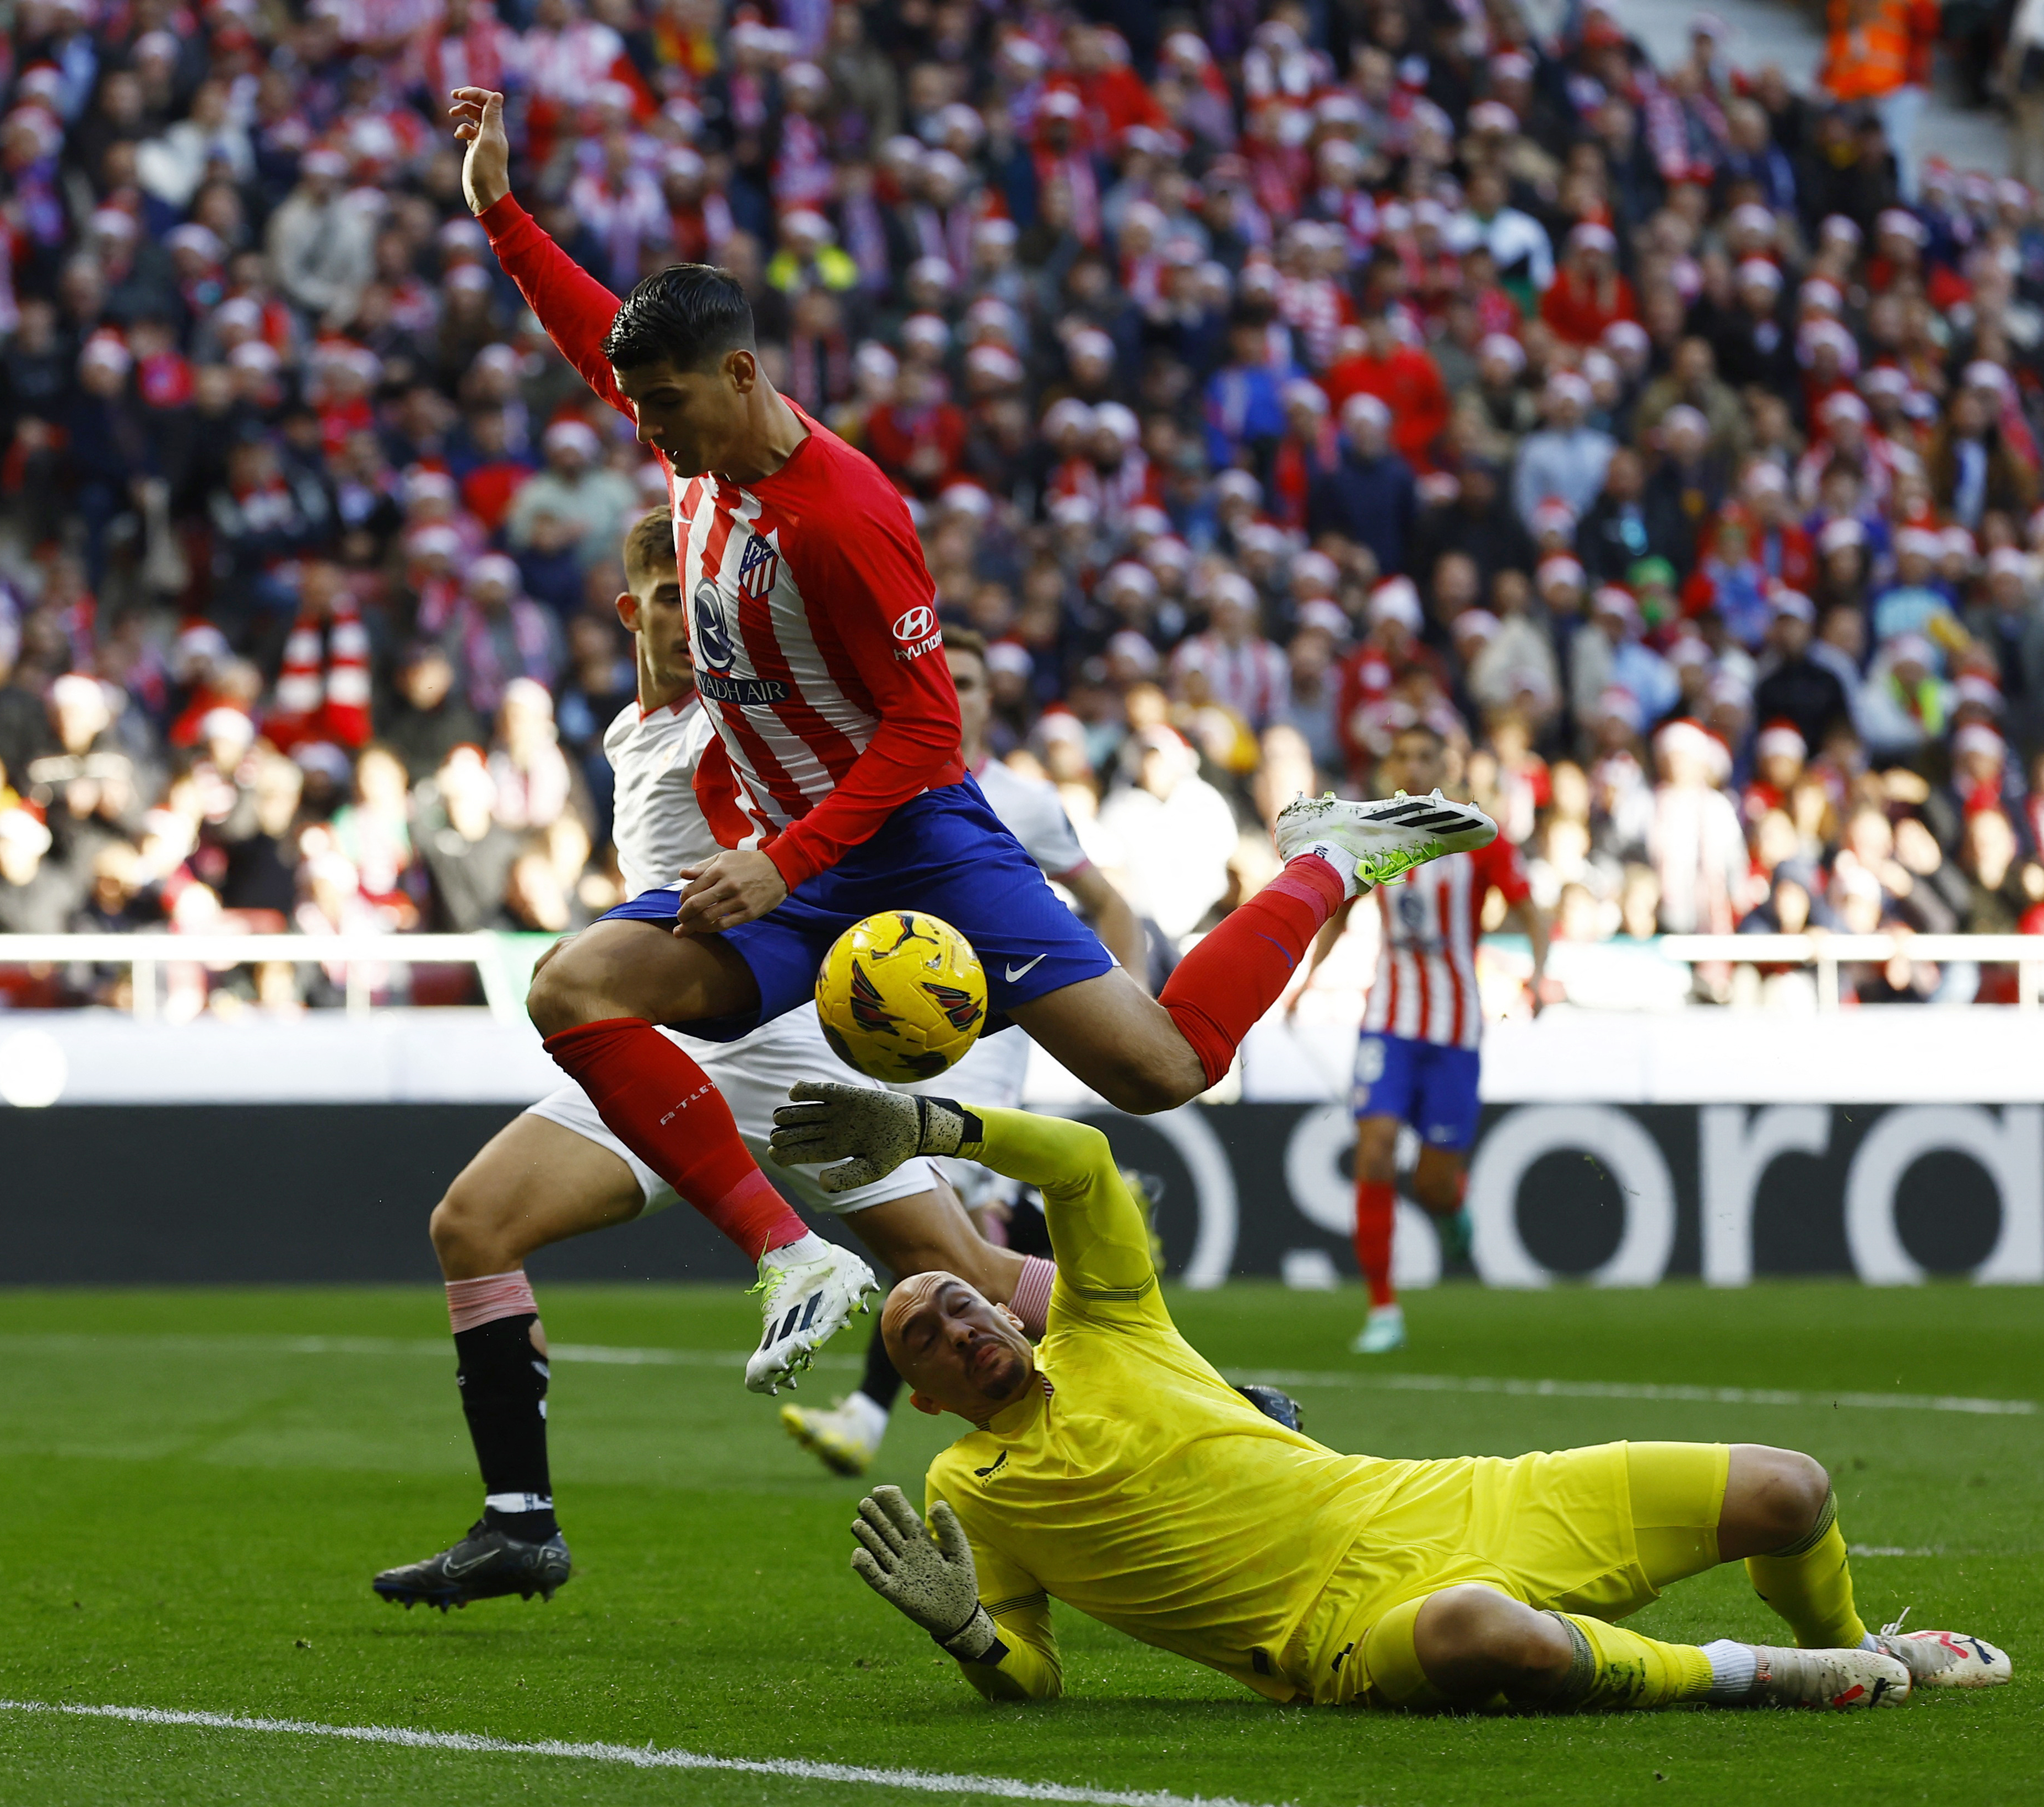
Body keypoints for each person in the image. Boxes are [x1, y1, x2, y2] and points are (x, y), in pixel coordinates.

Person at [449, 86, 1498, 1394]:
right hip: (798, 866)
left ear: (741, 374)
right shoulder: (695, 455)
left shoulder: (844, 517)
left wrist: (783, 863)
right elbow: (586, 331)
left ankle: (1331, 857)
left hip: (913, 846)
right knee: (573, 986)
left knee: (1164, 1065)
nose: (644, 426)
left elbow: (927, 731)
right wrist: (498, 208)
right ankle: (794, 1257)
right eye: (638, 403)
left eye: (664, 403)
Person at [770, 1086, 2011, 1713]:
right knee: (1486, 1632)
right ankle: (1757, 1677)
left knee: (1788, 1485)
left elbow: (1086, 1160)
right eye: (923, 1335)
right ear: (924, 1397)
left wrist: (931, 1121)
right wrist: (967, 1635)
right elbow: (1033, 1673)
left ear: (1002, 1303)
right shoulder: (965, 1487)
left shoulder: (1108, 1326)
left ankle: (1850, 1646)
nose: (956, 1323)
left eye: (957, 1300)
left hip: (1444, 1499)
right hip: (1335, 1635)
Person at [371, 508, 1059, 1611]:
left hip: (786, 1046)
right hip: (663, 1058)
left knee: (966, 1272)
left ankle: (1210, 1396)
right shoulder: (627, 733)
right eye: (664, 602)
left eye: (707, 604)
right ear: (628, 609)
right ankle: (518, 1523)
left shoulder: (740, 718)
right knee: (472, 1223)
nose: (690, 626)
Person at [780, 624, 1147, 1476]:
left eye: (975, 682)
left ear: (987, 699)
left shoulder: (1023, 800)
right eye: (949, 678)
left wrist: (1127, 1000)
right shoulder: (862, 787)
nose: (962, 693)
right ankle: (1167, 1399)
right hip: (870, 1055)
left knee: (951, 1255)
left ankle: (876, 1419)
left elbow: (1106, 900)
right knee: (954, 1255)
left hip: (981, 1061)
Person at [1286, 722, 1547, 1352]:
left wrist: (1540, 975)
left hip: (1457, 1025)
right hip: (1390, 1021)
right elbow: (1341, 912)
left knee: (1432, 1182)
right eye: (1403, 753)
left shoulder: (1479, 838)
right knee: (1374, 1149)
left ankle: (1451, 1208)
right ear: (1391, 766)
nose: (1413, 762)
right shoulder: (1372, 835)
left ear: (1446, 765)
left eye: (1425, 753)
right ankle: (1383, 1310)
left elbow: (1532, 909)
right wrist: (1304, 982)